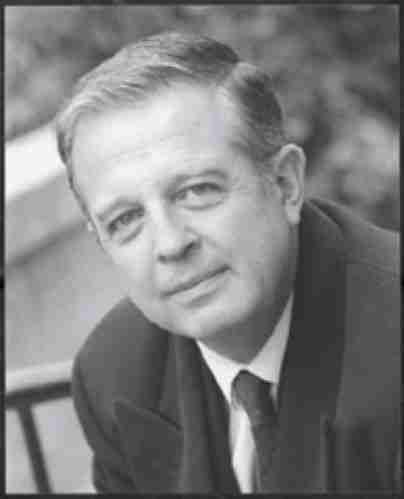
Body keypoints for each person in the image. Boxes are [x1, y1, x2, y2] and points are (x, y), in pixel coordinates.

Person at [55, 31, 400, 493]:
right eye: (126, 219)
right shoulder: (112, 371)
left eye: (197, 191)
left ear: (285, 185)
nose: (171, 244)